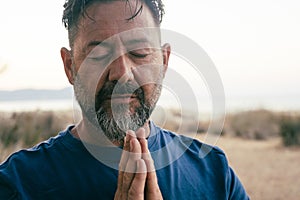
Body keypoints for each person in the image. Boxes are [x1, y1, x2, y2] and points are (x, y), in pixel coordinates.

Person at [0, 0, 249, 199]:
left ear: (163, 62)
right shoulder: (17, 184)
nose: (120, 73)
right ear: (70, 67)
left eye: (139, 53)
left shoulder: (214, 172)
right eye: (98, 53)